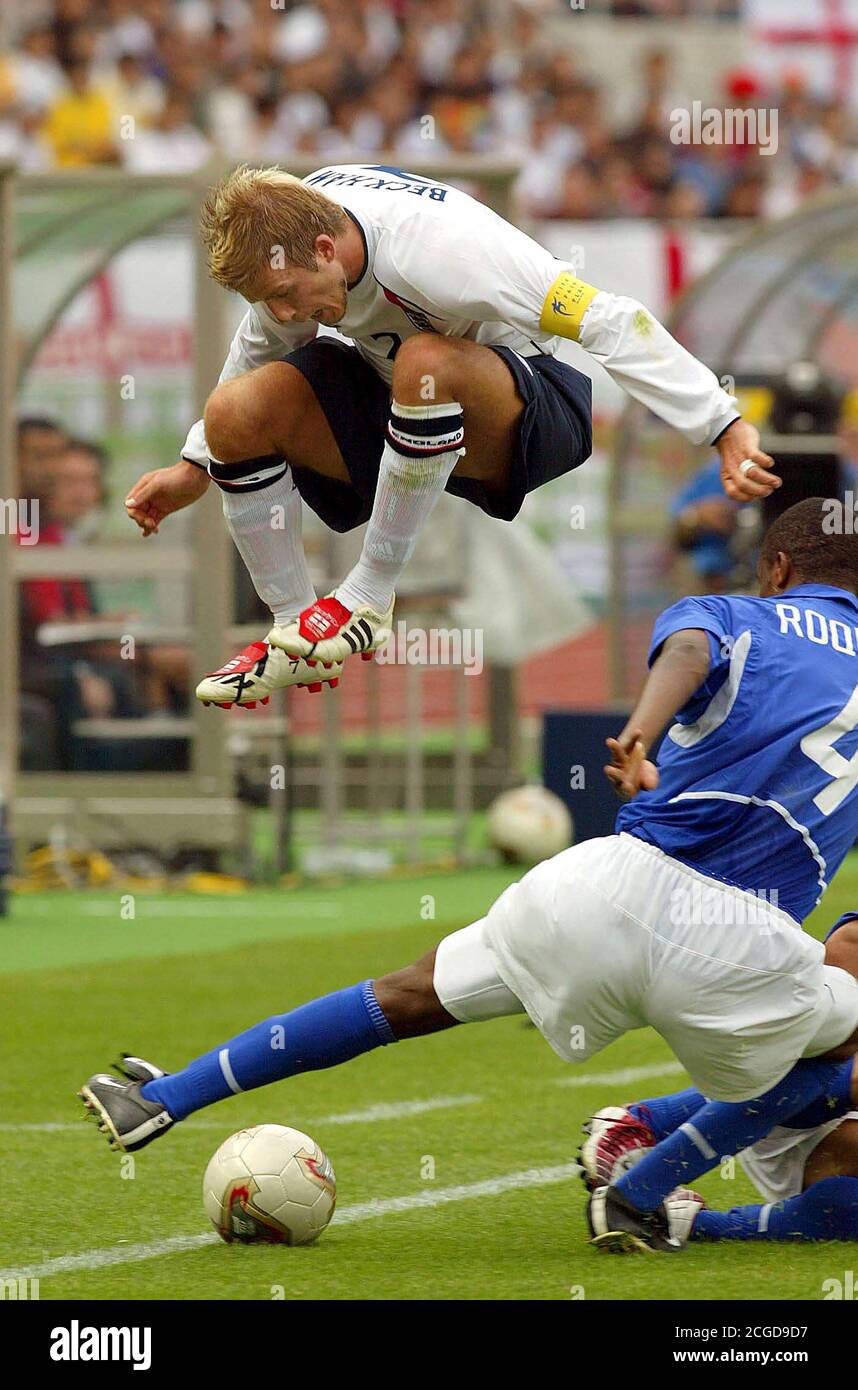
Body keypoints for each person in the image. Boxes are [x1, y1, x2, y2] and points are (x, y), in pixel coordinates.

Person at [80, 501, 858, 1192]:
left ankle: (163, 1098)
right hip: (743, 946)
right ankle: (643, 1190)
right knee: (839, 1050)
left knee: (406, 995)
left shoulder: (733, 614)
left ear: (779, 568)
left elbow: (688, 650)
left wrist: (639, 734)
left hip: (608, 888)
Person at [123, 162, 776, 710]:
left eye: (287, 294)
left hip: (529, 413)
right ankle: (297, 629)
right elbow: (251, 361)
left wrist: (721, 421)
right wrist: (194, 466)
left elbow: (610, 318)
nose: (285, 314)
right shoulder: (302, 236)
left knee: (425, 363)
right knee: (233, 408)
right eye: (269, 301)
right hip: (408, 418)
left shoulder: (445, 251)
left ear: (325, 250)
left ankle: (368, 599)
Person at [582, 913, 858, 1249]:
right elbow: (814, 1040)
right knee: (833, 1040)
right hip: (793, 1107)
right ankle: (644, 1127)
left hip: (807, 1129)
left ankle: (684, 1220)